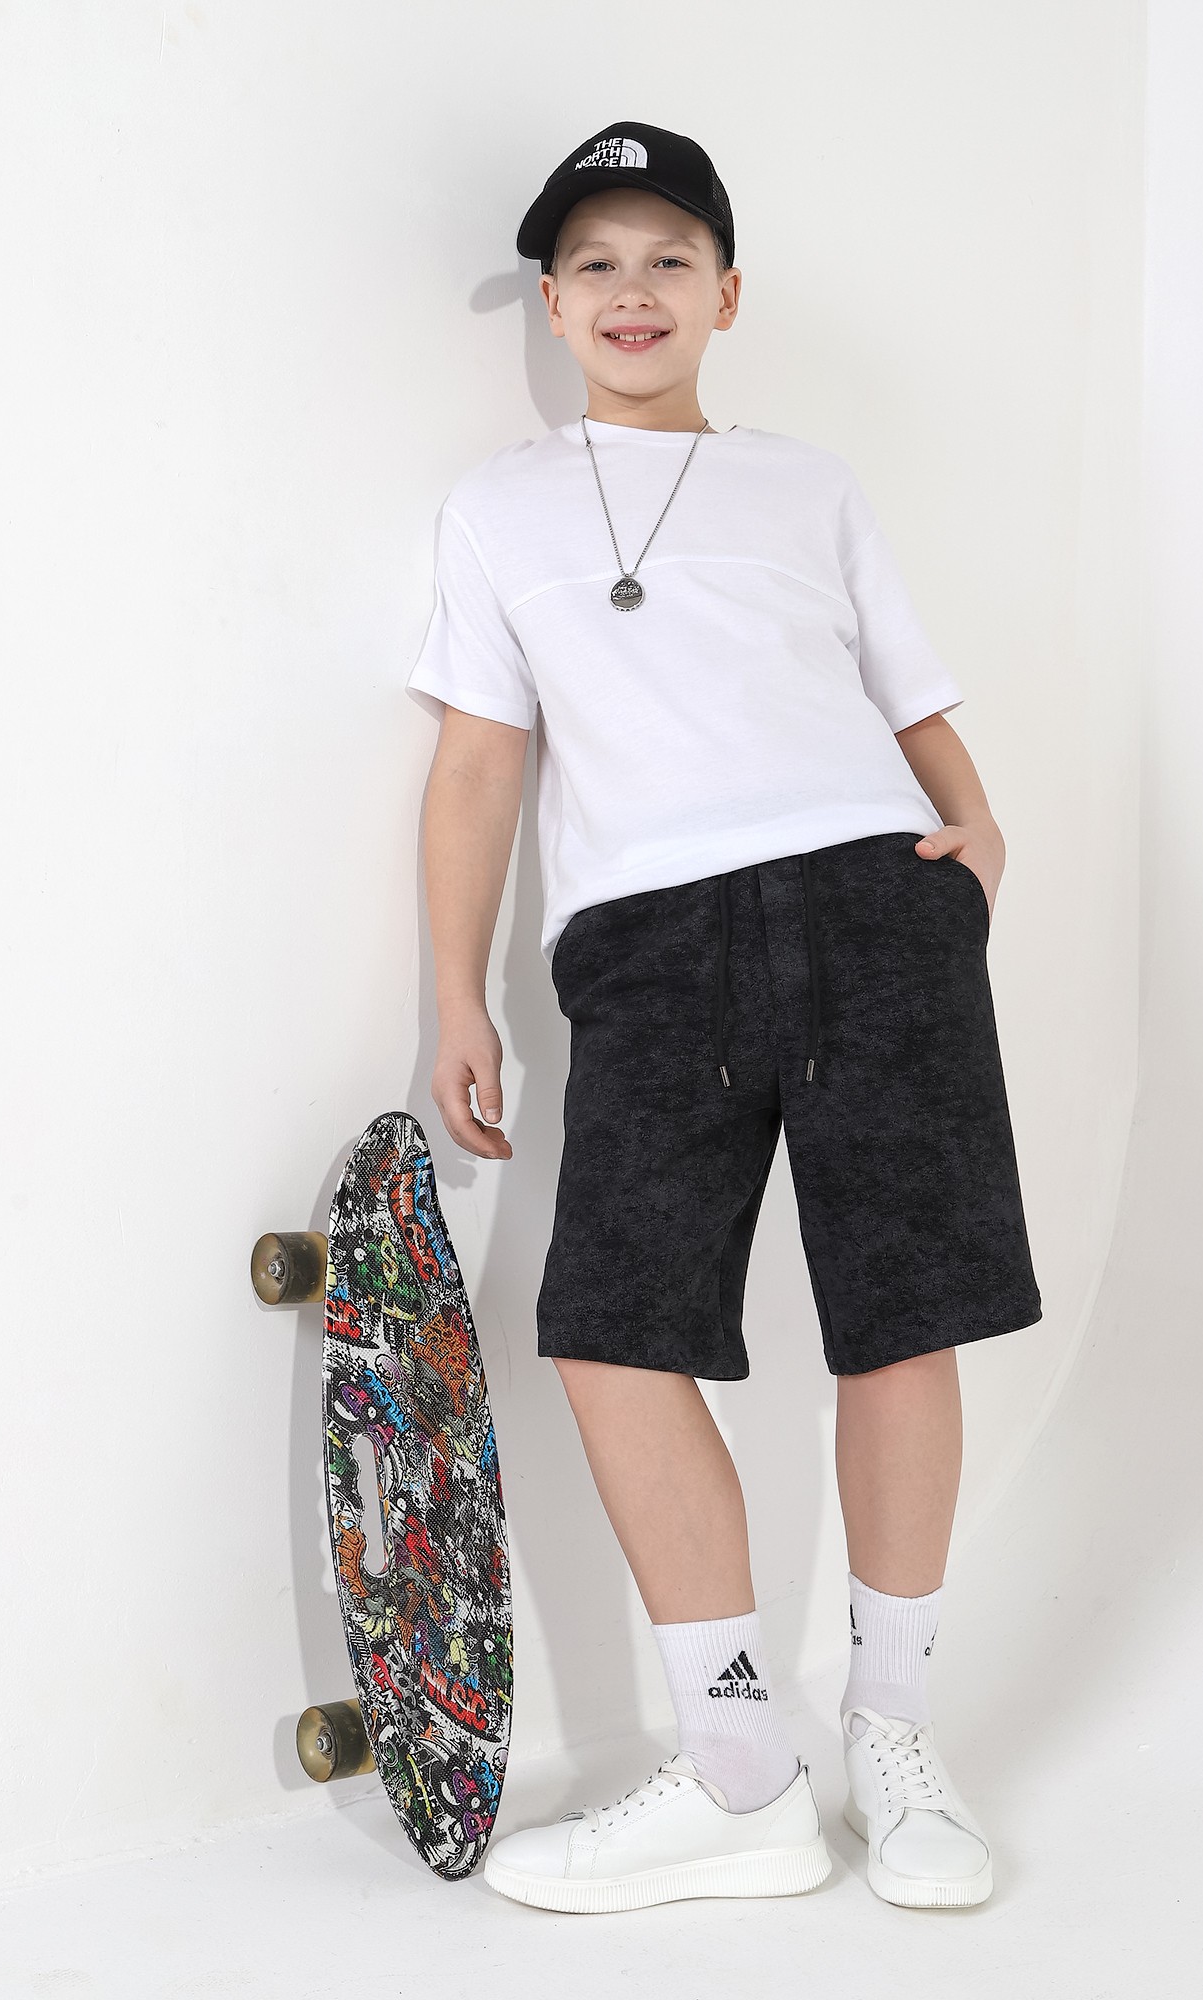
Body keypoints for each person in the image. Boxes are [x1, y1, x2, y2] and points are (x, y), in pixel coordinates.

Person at [406, 121, 1043, 1915]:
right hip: (646, 941)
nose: (634, 292)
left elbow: (907, 695)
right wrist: (456, 988)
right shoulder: (500, 511)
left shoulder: (808, 486)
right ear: (551, 303)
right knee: (614, 1325)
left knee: (901, 1314)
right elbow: (479, 762)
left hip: (870, 901)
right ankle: (744, 1768)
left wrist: (978, 840)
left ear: (728, 295)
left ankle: (895, 1736)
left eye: (669, 260)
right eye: (596, 265)